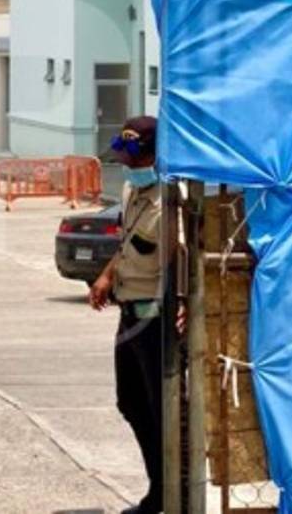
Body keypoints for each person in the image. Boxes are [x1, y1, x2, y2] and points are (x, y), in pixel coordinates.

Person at [89, 115, 181, 514]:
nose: (127, 165)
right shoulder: (133, 191)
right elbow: (129, 242)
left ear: (155, 156)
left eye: (136, 159)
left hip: (157, 320)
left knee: (165, 413)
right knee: (131, 403)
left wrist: (187, 307)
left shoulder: (173, 202)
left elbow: (187, 259)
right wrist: (106, 275)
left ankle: (170, 497)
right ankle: (159, 490)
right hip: (130, 313)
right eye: (125, 157)